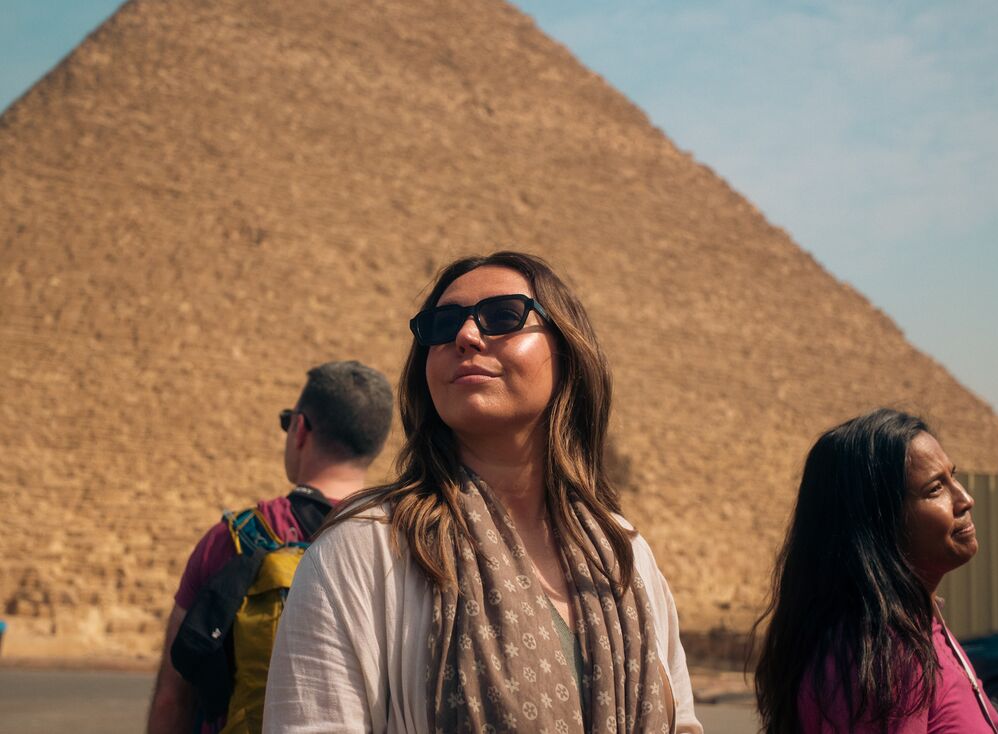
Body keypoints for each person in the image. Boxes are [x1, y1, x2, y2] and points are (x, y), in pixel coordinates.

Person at [264, 252, 702, 733]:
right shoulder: (363, 550)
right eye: (442, 323)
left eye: (503, 316)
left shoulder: (625, 555)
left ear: (567, 351)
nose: (466, 336)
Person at [147, 360, 393, 734]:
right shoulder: (404, 543)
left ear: (299, 429)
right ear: (375, 445)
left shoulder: (232, 541)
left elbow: (173, 697)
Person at [751, 408, 998, 733]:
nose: (965, 499)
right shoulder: (886, 658)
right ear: (876, 526)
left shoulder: (917, 631)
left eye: (952, 477)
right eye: (935, 489)